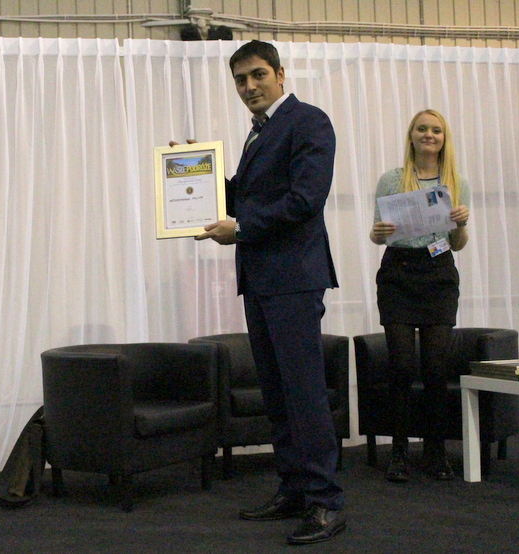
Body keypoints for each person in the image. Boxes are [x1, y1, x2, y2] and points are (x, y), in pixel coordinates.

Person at [193, 40, 345, 545]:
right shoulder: (259, 132)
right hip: (261, 279)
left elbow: (305, 200)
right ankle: (295, 489)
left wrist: (240, 228)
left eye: (258, 75)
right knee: (277, 393)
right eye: (240, 80)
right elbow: (246, 195)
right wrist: (194, 171)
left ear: (281, 74)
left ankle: (325, 501)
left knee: (303, 392)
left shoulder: (308, 121)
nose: (249, 86)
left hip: (294, 279)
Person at [369, 109, 470, 483]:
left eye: (436, 130)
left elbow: (457, 244)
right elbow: (376, 234)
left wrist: (461, 225)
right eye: (422, 129)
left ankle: (436, 452)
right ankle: (398, 452)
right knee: (400, 366)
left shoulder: (455, 182)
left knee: (435, 369)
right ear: (411, 136)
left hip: (438, 273)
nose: (429, 135)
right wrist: (378, 233)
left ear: (444, 138)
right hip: (398, 273)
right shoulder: (392, 180)